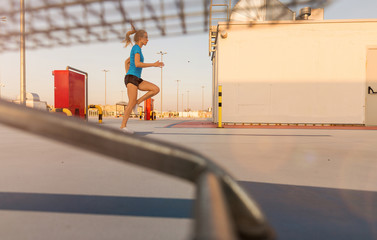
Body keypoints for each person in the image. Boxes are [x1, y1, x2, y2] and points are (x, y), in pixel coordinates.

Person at [121, 24, 164, 133]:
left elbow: (127, 62)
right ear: (140, 38)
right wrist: (153, 65)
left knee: (155, 89)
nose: (148, 40)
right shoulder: (136, 48)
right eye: (146, 37)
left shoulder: (137, 49)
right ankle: (123, 127)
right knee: (130, 102)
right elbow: (137, 63)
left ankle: (137, 103)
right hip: (132, 78)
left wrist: (128, 73)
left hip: (135, 78)